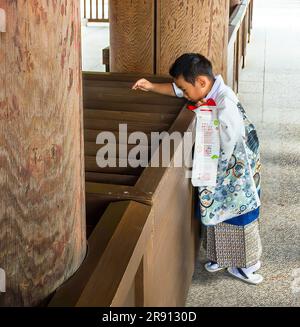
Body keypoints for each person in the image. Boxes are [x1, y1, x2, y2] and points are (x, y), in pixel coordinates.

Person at [132, 53, 263, 285]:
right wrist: (151, 86)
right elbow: (176, 89)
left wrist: (204, 115)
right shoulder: (206, 89)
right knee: (216, 214)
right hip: (221, 170)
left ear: (201, 82)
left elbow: (229, 139)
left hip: (234, 171)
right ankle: (221, 256)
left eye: (185, 88)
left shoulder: (225, 101)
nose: (183, 94)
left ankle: (246, 265)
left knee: (239, 216)